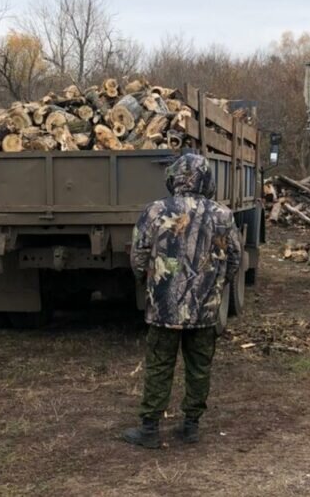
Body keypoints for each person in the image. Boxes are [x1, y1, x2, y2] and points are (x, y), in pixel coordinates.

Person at [123, 153, 242, 448]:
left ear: (173, 178)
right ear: (207, 180)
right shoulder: (223, 215)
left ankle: (150, 429)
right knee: (199, 367)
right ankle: (191, 426)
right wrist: (215, 286)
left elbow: (138, 256)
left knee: (159, 365)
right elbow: (235, 259)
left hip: (164, 307)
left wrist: (151, 284)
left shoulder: (155, 210)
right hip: (205, 309)